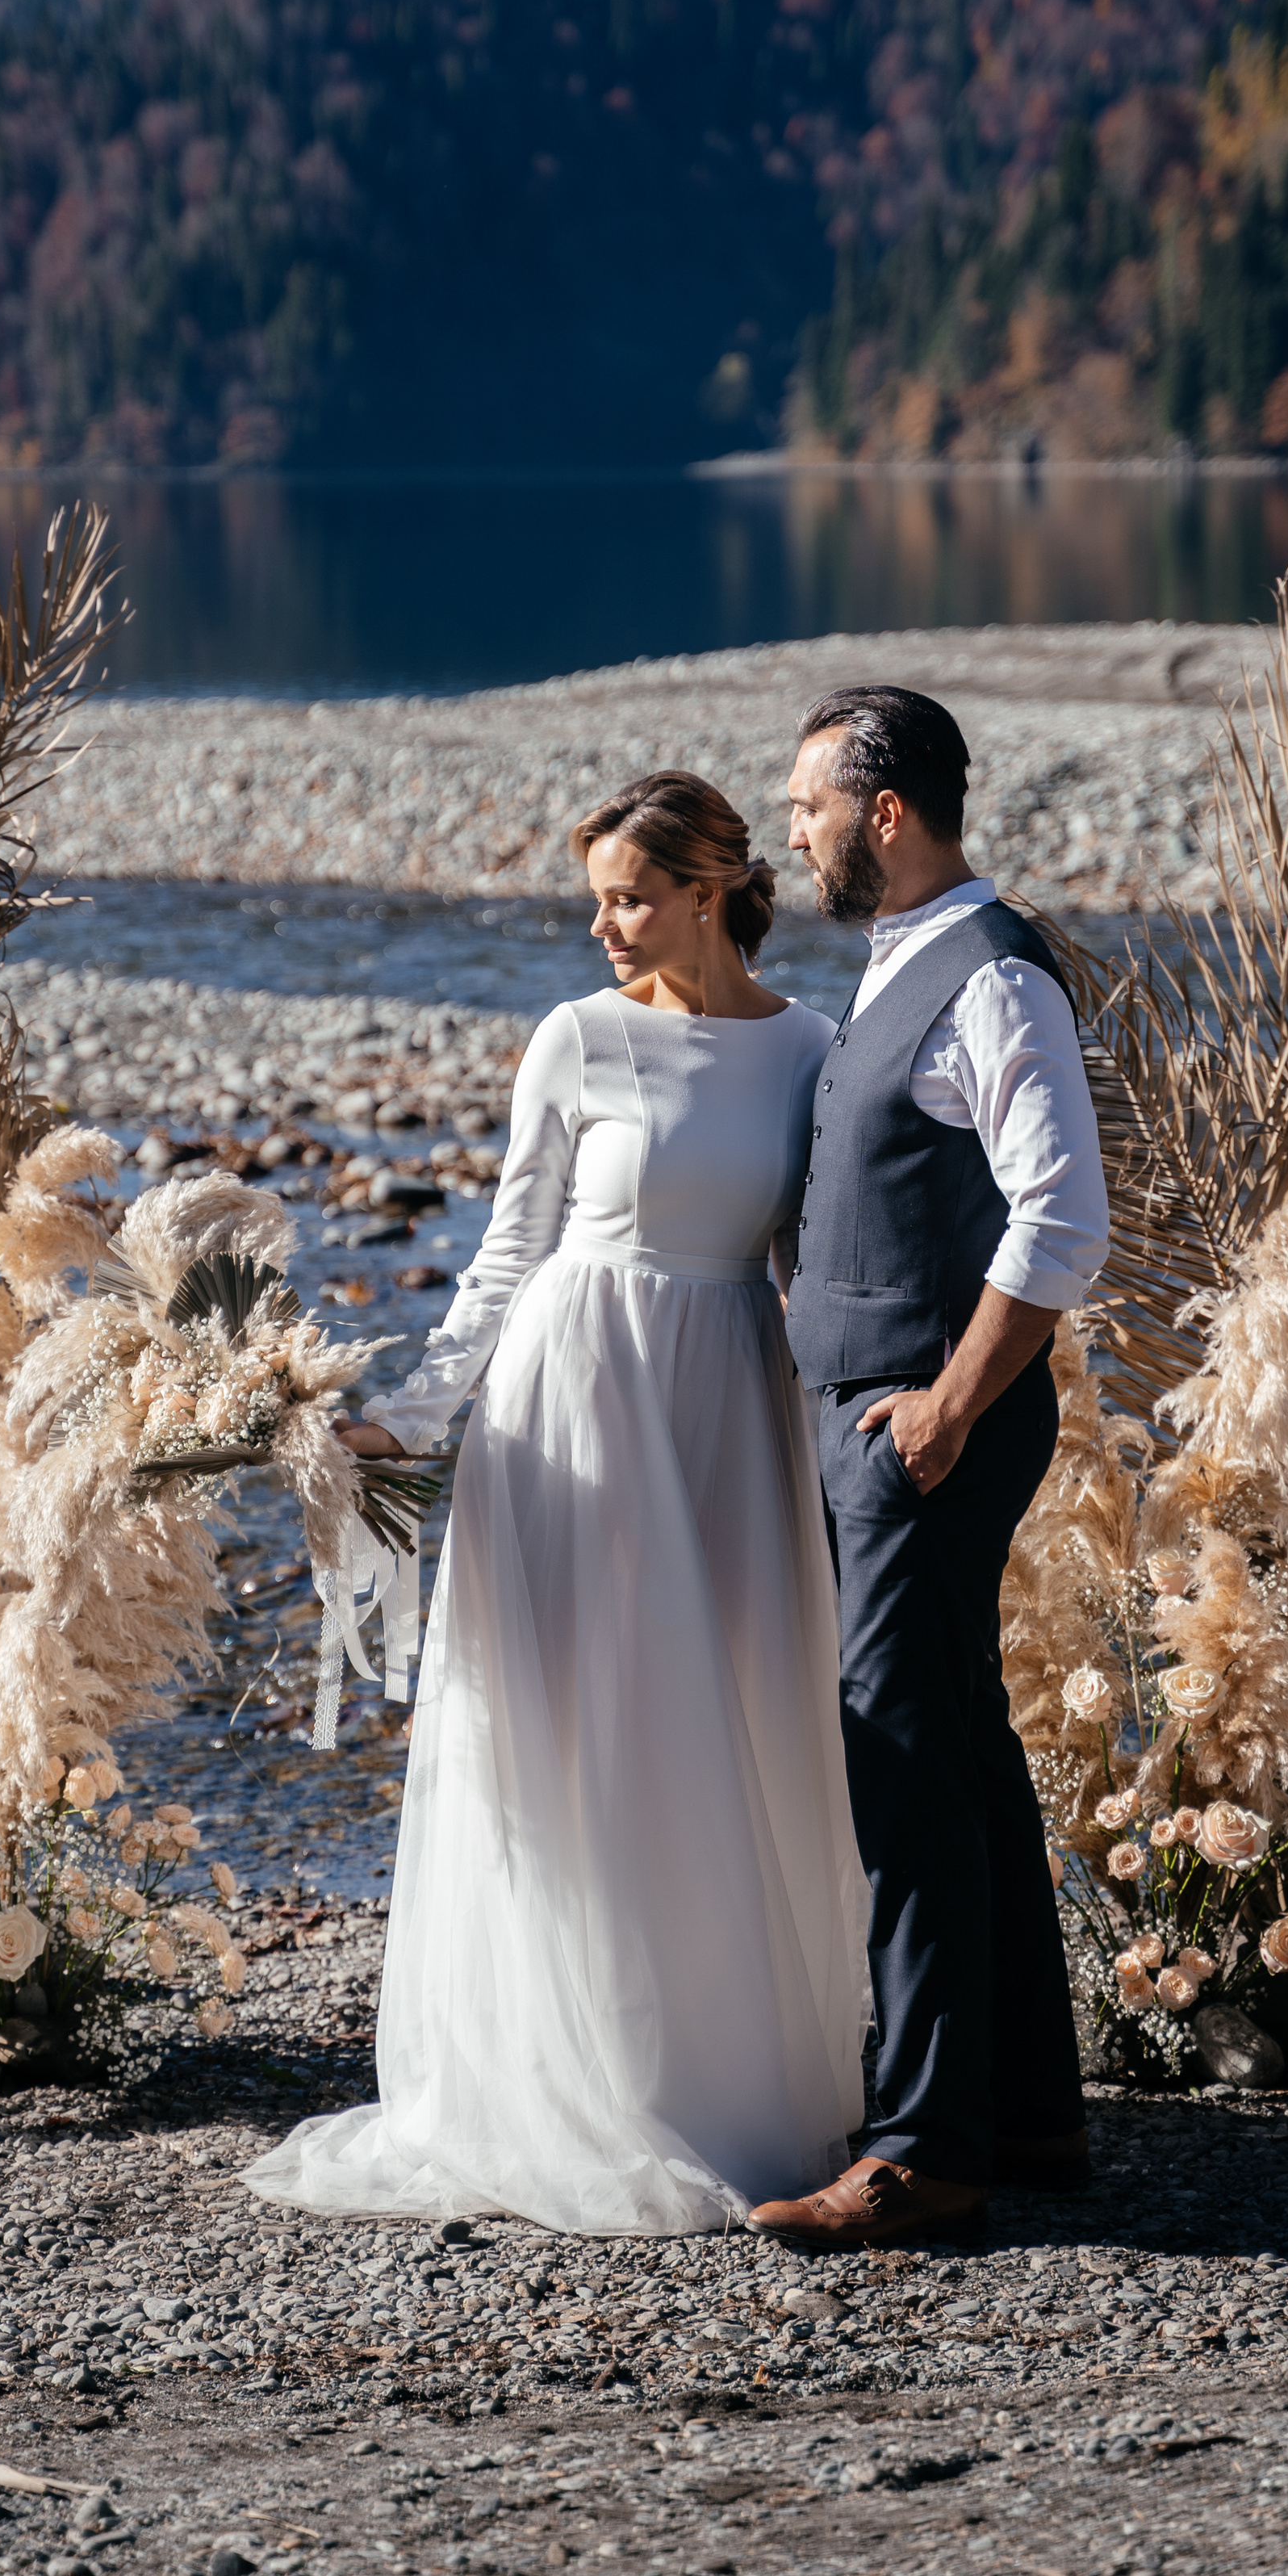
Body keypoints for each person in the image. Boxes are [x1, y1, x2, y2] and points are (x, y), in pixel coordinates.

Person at [243, 771, 868, 2234]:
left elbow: (808, 1267)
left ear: (713, 889)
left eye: (629, 896)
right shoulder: (575, 1040)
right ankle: (567, 2072)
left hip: (732, 1405)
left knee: (729, 1719)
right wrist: (409, 1417)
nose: (602, 925)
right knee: (577, 1730)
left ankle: (725, 2076)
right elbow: (507, 1250)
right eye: (595, 898)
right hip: (572, 1399)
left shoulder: (814, 1052)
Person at [748, 685, 1110, 2251]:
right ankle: (1023, 2109)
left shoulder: (990, 972)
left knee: (895, 1767)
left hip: (923, 1426)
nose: (790, 829)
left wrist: (949, 1404)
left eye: (806, 803)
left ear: (882, 813)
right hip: (889, 1419)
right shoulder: (902, 962)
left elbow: (1060, 1218)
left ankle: (919, 2148)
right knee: (959, 1746)